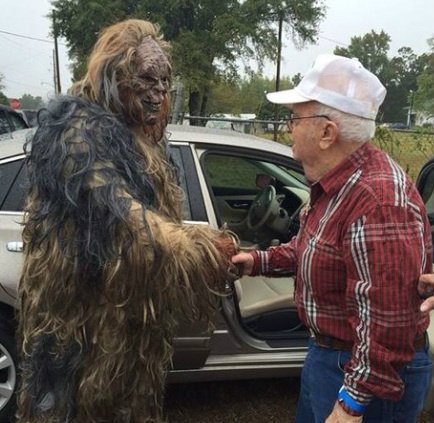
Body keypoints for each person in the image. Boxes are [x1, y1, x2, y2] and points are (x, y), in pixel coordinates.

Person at [18, 19, 238, 423]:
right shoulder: (77, 133)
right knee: (81, 406)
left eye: (165, 82)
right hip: (85, 323)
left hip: (131, 320)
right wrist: (202, 248)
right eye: (147, 80)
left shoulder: (142, 136)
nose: (158, 93)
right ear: (114, 75)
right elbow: (123, 214)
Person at [232, 54, 433, 422]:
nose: (289, 128)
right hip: (330, 356)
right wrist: (257, 261)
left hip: (365, 376)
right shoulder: (335, 184)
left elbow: (387, 322)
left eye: (295, 119)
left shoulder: (377, 201)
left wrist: (351, 404)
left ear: (327, 132)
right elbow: (311, 248)